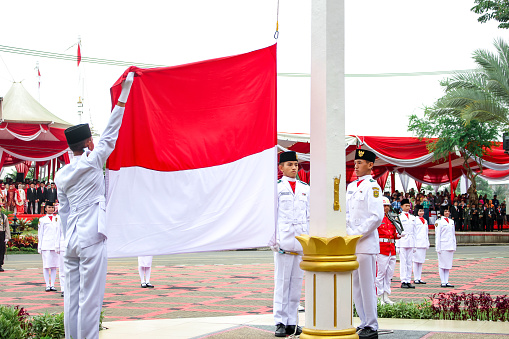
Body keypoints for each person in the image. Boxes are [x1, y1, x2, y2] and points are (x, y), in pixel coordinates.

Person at [55, 72, 134, 339]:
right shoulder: (92, 162)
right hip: (91, 239)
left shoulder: (61, 174)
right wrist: (124, 94)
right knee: (90, 301)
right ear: (89, 143)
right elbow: (111, 132)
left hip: (71, 242)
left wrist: (69, 238)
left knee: (72, 300)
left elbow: (64, 212)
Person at [346, 149, 384, 339]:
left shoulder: (373, 187)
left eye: (360, 162)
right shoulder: (351, 186)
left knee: (368, 285)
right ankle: (363, 322)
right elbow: (346, 214)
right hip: (352, 244)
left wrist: (355, 233)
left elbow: (376, 217)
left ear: (370, 165)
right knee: (357, 285)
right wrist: (347, 233)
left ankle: (372, 324)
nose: (356, 165)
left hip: (366, 243)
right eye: (355, 162)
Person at [272, 151, 309, 337]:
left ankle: (291, 322)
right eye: (289, 165)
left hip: (300, 242)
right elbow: (271, 216)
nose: (294, 168)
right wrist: (273, 239)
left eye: (295, 164)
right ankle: (279, 321)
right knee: (282, 283)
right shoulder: (276, 188)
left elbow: (309, 217)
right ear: (281, 168)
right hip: (283, 242)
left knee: (296, 284)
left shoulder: (305, 188)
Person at [376, 197, 400, 305]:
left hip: (391, 247)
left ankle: (386, 296)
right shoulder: (377, 219)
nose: (386, 208)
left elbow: (393, 233)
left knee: (389, 274)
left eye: (387, 206)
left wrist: (398, 235)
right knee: (381, 274)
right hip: (382, 248)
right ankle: (379, 296)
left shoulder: (390, 218)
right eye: (384, 206)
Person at [38, 202, 61, 292]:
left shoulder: (58, 218)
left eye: (52, 207)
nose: (51, 209)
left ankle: (53, 284)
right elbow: (40, 234)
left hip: (55, 245)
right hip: (46, 245)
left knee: (54, 266)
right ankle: (47, 284)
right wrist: (39, 247)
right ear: (46, 208)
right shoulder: (42, 220)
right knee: (46, 266)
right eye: (49, 207)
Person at [435, 208, 456, 287]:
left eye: (448, 211)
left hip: (450, 245)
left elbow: (453, 234)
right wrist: (438, 247)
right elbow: (438, 235)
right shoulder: (439, 222)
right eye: (445, 211)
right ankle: (442, 281)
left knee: (448, 265)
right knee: (442, 264)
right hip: (442, 245)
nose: (447, 212)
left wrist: (454, 245)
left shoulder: (451, 221)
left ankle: (446, 281)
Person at [397, 198, 415, 289]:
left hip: (411, 241)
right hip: (402, 241)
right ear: (401, 206)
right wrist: (397, 245)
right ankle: (403, 280)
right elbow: (397, 231)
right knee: (403, 262)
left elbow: (414, 232)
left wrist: (415, 244)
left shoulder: (413, 217)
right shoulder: (399, 217)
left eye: (408, 206)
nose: (407, 207)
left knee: (409, 262)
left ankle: (408, 280)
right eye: (406, 206)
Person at [413, 206, 429, 284]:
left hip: (423, 242)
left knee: (421, 261)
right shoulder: (414, 220)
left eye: (422, 211)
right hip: (417, 243)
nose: (421, 212)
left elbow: (426, 233)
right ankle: (415, 278)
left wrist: (427, 242)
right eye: (420, 211)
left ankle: (419, 277)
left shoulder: (425, 221)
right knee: (416, 261)